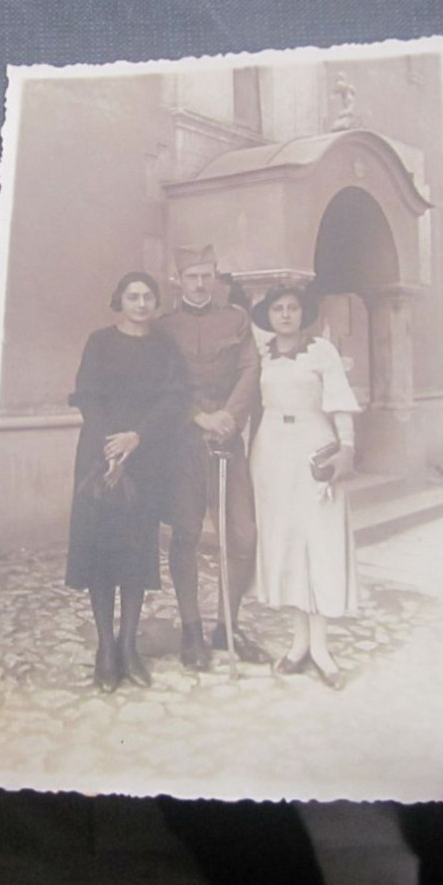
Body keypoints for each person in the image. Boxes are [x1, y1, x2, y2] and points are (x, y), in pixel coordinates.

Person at [66, 271, 190, 692]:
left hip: (146, 457)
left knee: (137, 555)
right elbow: (88, 394)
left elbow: (175, 397)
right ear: (119, 300)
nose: (140, 304)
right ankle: (105, 648)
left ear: (155, 303)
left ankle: (128, 647)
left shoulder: (164, 346)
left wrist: (138, 437)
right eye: (133, 296)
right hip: (99, 458)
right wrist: (111, 448)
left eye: (147, 297)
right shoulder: (99, 342)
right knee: (101, 552)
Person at [157, 244, 268, 669]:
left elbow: (250, 369)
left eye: (206, 275)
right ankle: (191, 631)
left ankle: (227, 623)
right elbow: (162, 381)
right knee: (185, 534)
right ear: (179, 281)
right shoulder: (165, 327)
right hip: (183, 443)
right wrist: (198, 416)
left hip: (227, 438)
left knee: (242, 534)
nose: (200, 284)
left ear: (216, 277)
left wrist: (229, 416)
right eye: (192, 277)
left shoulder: (236, 319)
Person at [249, 285, 361, 690]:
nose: (285, 315)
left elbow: (339, 403)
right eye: (277, 309)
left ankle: (322, 648)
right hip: (271, 453)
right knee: (289, 543)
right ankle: (298, 644)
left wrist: (346, 450)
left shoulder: (322, 352)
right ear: (268, 315)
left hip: (315, 448)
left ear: (303, 313)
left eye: (292, 308)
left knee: (321, 541)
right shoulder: (259, 355)